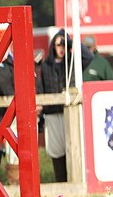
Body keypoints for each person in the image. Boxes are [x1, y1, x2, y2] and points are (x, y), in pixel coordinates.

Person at [35, 29, 91, 182]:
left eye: (64, 45)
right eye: (58, 44)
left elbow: (88, 56)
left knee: (73, 149)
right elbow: (42, 88)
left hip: (70, 112)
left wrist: (70, 42)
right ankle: (61, 182)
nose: (61, 48)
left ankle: (74, 181)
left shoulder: (73, 61)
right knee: (56, 151)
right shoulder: (46, 65)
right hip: (52, 113)